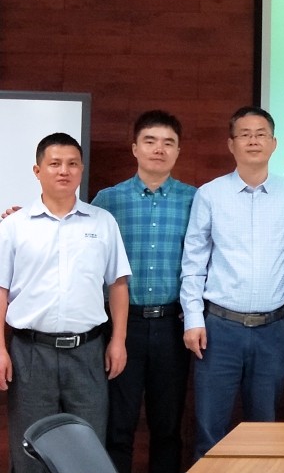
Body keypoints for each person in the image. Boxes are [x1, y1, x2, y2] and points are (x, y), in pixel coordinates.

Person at [180, 106, 284, 460]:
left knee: (264, 433)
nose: (253, 140)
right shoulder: (210, 194)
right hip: (219, 330)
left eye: (261, 134)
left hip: (273, 330)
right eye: (245, 134)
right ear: (231, 144)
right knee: (209, 431)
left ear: (274, 143)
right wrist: (193, 318)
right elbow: (194, 262)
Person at [0, 133, 131, 473]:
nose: (64, 170)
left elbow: (118, 284)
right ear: (37, 170)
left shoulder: (103, 222)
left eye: (72, 164)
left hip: (88, 353)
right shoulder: (13, 226)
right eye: (55, 163)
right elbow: (1, 290)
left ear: (81, 169)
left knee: (87, 452)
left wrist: (118, 340)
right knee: (29, 453)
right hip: (30, 353)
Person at [92, 111, 196, 473]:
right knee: (118, 426)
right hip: (122, 327)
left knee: (167, 428)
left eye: (168, 143)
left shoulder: (195, 200)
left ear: (178, 151)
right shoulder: (107, 200)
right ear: (135, 148)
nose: (159, 149)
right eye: (150, 141)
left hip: (172, 327)